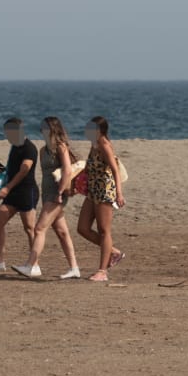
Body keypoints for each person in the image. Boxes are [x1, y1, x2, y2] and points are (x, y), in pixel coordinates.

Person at [14, 117, 82, 280]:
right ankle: (74, 268)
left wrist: (60, 192)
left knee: (39, 229)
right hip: (47, 194)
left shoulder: (61, 147)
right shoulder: (43, 150)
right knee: (62, 232)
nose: (41, 131)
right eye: (41, 128)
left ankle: (31, 266)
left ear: (52, 129)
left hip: (56, 195)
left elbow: (66, 170)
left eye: (44, 128)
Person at [0, 117, 39, 272]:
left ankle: (34, 264)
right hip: (13, 192)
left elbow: (25, 169)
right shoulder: (15, 146)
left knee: (29, 228)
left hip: (27, 191)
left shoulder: (29, 148)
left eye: (9, 132)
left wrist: (7, 187)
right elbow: (15, 168)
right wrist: (3, 171)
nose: (6, 135)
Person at [75, 116, 126, 282]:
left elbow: (115, 169)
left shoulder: (104, 144)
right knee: (82, 228)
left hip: (105, 191)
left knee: (104, 231)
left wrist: (119, 193)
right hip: (93, 190)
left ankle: (102, 271)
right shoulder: (94, 143)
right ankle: (114, 251)